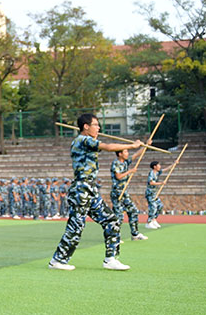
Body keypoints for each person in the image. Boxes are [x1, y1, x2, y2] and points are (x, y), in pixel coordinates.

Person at [48, 113, 143, 271]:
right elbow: (108, 147)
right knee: (76, 226)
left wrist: (135, 149)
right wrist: (131, 146)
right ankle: (58, 260)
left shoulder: (87, 141)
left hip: (90, 189)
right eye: (95, 125)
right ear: (86, 126)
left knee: (111, 220)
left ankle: (111, 259)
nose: (98, 128)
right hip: (81, 189)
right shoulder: (82, 140)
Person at [110, 148, 148, 241]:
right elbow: (118, 176)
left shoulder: (126, 161)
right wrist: (130, 171)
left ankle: (135, 234)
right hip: (117, 192)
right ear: (119, 154)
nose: (127, 153)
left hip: (124, 192)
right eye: (125, 152)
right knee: (119, 215)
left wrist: (145, 145)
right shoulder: (116, 163)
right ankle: (115, 236)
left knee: (133, 211)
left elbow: (136, 155)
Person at [144, 160, 173, 229]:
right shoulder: (151, 173)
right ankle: (149, 222)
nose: (160, 166)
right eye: (158, 165)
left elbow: (166, 169)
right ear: (154, 167)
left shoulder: (157, 172)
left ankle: (154, 220)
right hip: (150, 194)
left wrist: (174, 164)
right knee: (153, 207)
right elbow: (151, 183)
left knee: (160, 206)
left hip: (155, 193)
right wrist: (161, 183)